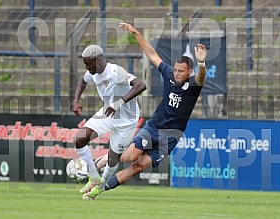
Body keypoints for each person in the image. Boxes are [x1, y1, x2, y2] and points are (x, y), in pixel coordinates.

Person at [83, 23, 207, 199]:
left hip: (171, 136)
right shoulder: (169, 74)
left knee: (138, 167)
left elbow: (202, 77)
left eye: (181, 71)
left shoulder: (194, 84)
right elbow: (152, 54)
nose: (177, 74)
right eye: (176, 70)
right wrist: (136, 34)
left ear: (190, 72)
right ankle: (104, 160)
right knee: (128, 157)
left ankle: (98, 190)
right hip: (154, 127)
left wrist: (201, 62)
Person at [72, 45, 147, 196]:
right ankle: (94, 178)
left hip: (127, 120)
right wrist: (75, 101)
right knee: (80, 139)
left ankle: (100, 187)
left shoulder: (116, 72)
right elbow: (82, 80)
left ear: (99, 60)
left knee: (113, 158)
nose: (87, 67)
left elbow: (141, 85)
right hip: (108, 113)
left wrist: (118, 103)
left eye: (88, 63)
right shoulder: (92, 72)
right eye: (85, 64)